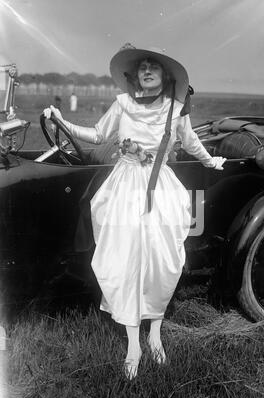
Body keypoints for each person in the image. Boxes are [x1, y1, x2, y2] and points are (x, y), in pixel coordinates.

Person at [43, 44, 226, 380]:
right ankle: (133, 343)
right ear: (134, 75)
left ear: (166, 75)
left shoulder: (176, 108)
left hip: (160, 190)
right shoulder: (123, 104)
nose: (146, 70)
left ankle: (154, 332)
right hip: (125, 187)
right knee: (125, 258)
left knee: (162, 258)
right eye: (141, 66)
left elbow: (189, 141)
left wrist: (210, 160)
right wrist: (61, 120)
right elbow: (98, 134)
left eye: (153, 66)